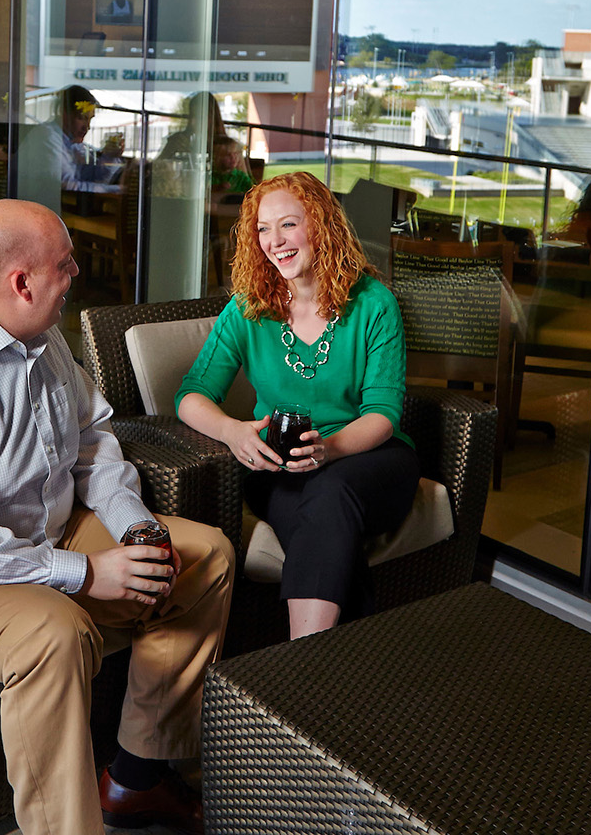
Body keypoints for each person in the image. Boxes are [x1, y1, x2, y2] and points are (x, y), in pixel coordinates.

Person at [0, 199, 234, 835]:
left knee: (203, 558)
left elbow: (92, 443)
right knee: (55, 634)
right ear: (22, 283)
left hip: (46, 529)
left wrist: (135, 526)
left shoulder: (43, 333)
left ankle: (136, 780)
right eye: (65, 264)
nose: (77, 273)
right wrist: (85, 573)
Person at [175, 172, 417, 639]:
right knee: (325, 524)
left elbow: (383, 415)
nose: (275, 241)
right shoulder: (249, 307)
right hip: (279, 465)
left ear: (322, 225)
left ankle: (299, 659)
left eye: (289, 224)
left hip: (369, 459)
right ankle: (323, 663)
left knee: (329, 493)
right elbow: (192, 395)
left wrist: (330, 450)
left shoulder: (374, 304)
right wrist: (232, 431)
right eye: (264, 229)